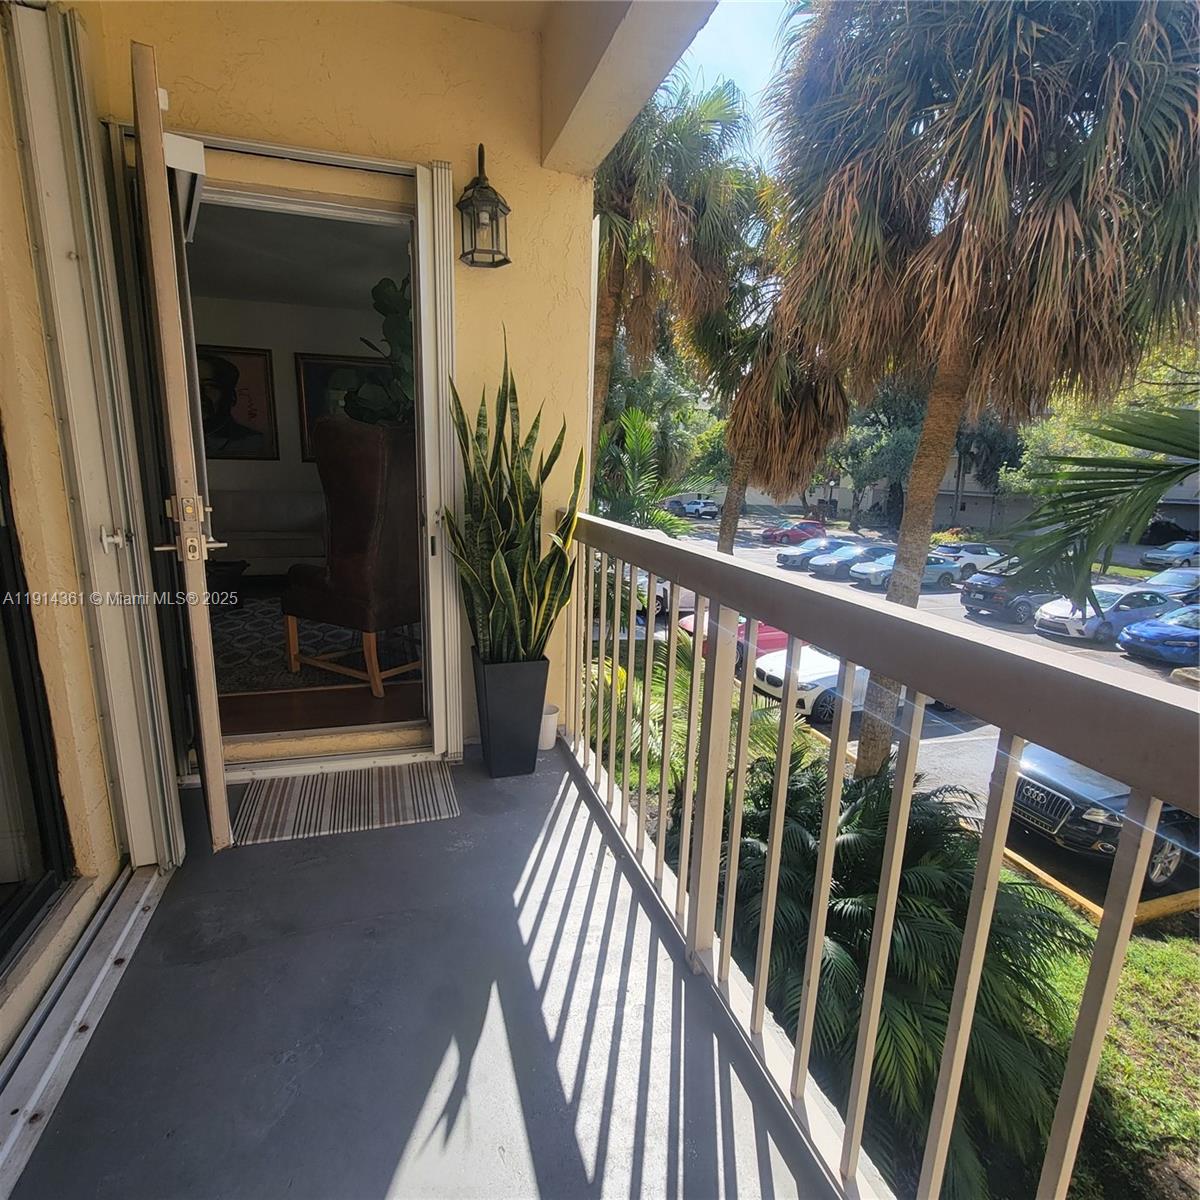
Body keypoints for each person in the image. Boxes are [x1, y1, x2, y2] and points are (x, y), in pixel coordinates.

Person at [198, 352, 266, 458]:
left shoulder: (255, 443)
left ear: (232, 396)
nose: (199, 394)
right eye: (191, 385)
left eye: (209, 386)